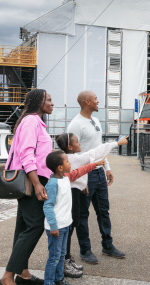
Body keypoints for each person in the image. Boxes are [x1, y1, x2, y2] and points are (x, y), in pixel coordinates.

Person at [0, 89, 54, 285]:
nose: (52, 103)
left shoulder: (34, 122)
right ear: (39, 102)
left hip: (32, 179)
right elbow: (26, 154)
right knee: (35, 225)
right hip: (32, 180)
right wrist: (38, 183)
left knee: (23, 226)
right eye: (48, 100)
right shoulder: (31, 121)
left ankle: (22, 272)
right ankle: (7, 277)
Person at [55, 133, 129, 278]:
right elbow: (95, 153)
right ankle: (64, 262)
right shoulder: (74, 158)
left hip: (75, 192)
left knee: (70, 227)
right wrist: (117, 143)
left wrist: (84, 182)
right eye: (77, 142)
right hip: (72, 195)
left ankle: (67, 258)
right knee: (69, 228)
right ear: (70, 146)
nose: (79, 143)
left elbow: (76, 173)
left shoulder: (67, 157)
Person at [67, 91, 124, 264]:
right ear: (87, 102)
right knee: (83, 214)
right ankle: (85, 251)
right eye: (95, 99)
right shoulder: (75, 125)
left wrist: (107, 167)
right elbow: (71, 156)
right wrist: (80, 180)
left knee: (103, 211)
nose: (98, 101)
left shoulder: (96, 121)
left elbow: (99, 148)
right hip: (85, 174)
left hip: (99, 173)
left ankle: (108, 246)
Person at [42, 151, 104, 285]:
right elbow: (48, 206)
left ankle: (59, 279)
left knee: (61, 255)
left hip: (65, 225)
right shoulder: (52, 184)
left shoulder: (66, 177)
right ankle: (49, 282)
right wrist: (53, 226)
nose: (71, 164)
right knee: (54, 257)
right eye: (67, 162)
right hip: (56, 227)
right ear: (60, 167)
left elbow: (80, 171)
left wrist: (95, 164)